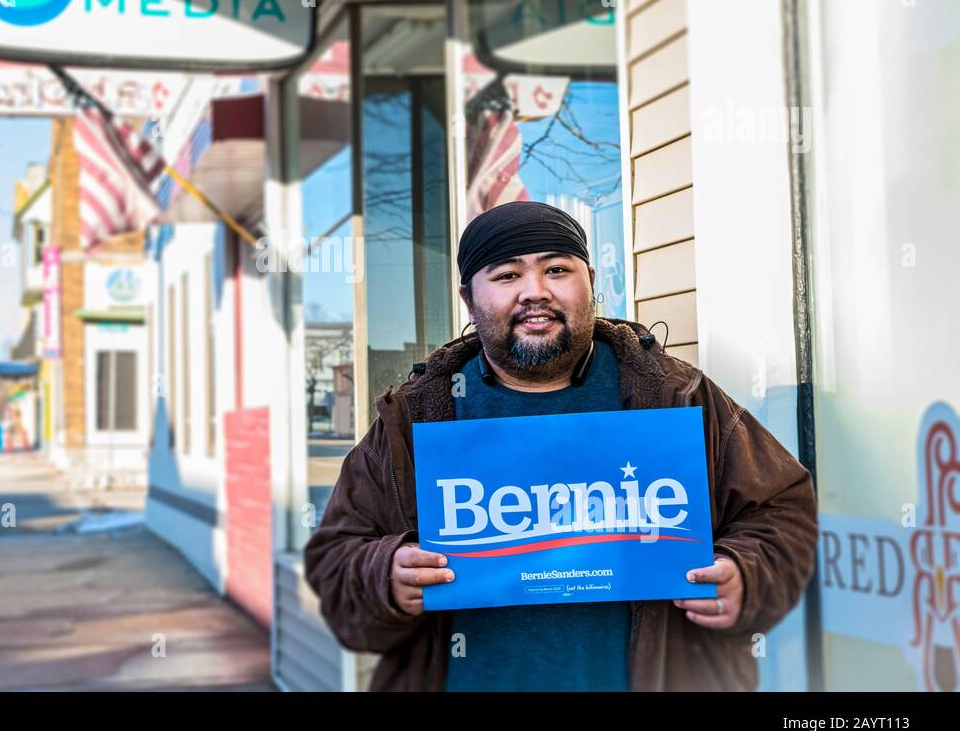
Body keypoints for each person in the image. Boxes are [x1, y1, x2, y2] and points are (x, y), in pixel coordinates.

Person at [304, 201, 818, 691]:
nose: (535, 291)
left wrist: (744, 573)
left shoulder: (674, 396)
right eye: (507, 275)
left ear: (589, 281)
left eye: (556, 269)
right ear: (469, 298)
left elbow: (781, 509)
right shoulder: (417, 415)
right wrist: (384, 576)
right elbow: (336, 558)